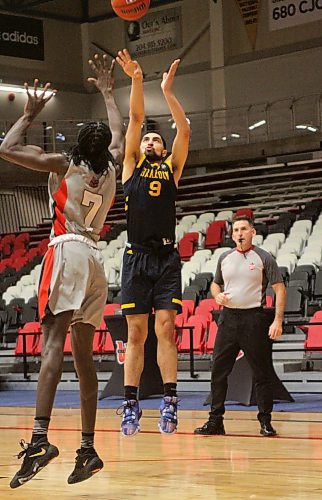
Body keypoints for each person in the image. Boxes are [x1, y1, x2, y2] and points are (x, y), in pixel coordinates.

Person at [0, 54, 124, 487]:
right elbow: (121, 135)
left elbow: (7, 149)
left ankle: (39, 439)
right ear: (104, 145)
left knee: (52, 346)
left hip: (69, 249)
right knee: (85, 357)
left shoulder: (63, 165)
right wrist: (109, 92)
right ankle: (88, 448)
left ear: (76, 145)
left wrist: (28, 114)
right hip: (96, 260)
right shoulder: (111, 169)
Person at [115, 49, 190, 436]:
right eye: (146, 138)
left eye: (155, 140)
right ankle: (130, 403)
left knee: (166, 328)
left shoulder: (171, 168)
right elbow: (135, 118)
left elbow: (185, 130)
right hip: (136, 257)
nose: (149, 141)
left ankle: (170, 399)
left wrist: (167, 90)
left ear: (162, 149)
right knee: (136, 334)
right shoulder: (131, 166)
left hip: (166, 257)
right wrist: (138, 80)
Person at [194, 215, 286, 437]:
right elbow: (216, 285)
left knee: (261, 373)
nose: (239, 233)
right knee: (218, 371)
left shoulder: (264, 257)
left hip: (254, 319)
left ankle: (265, 421)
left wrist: (278, 320)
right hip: (228, 319)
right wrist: (217, 296)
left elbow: (280, 289)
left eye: (244, 229)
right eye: (236, 230)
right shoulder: (225, 257)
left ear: (252, 232)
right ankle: (215, 420)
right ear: (232, 234)